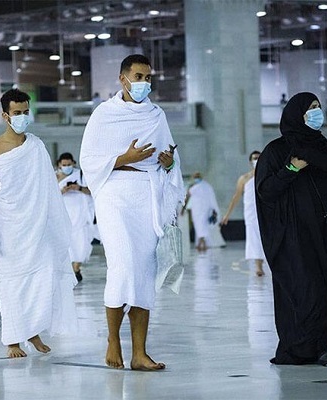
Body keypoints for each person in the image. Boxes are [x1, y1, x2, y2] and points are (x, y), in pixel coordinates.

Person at [80, 54, 184, 371]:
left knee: (143, 273)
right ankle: (113, 340)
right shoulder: (104, 114)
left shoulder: (156, 115)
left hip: (147, 194)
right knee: (123, 266)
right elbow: (89, 161)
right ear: (122, 78)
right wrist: (125, 158)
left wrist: (169, 163)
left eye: (148, 77)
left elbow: (171, 156)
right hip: (114, 193)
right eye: (138, 77)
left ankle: (139, 353)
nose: (144, 83)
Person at [255, 92, 327, 366]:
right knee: (304, 290)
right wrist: (291, 168)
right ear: (296, 113)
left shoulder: (324, 148)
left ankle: (322, 346)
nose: (317, 112)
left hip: (324, 232)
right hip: (292, 236)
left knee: (324, 291)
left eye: (318, 107)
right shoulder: (276, 151)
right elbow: (266, 191)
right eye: (311, 107)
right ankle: (297, 348)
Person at [0, 89, 78, 359]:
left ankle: (33, 331)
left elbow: (47, 188)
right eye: (17, 112)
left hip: (36, 223)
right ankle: (13, 339)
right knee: (11, 281)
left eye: (26, 112)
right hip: (6, 224)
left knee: (40, 277)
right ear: (5, 115)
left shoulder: (35, 146)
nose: (23, 117)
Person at [220, 151, 266, 277]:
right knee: (254, 237)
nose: (257, 160)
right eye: (254, 158)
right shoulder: (244, 179)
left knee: (265, 236)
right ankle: (258, 266)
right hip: (251, 212)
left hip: (265, 211)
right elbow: (236, 197)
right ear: (250, 161)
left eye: (259, 158)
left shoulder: (267, 175)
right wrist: (227, 215)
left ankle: (267, 262)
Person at [57, 152, 93, 282]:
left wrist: (78, 188)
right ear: (59, 165)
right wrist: (62, 191)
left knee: (81, 245)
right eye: (64, 165)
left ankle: (76, 268)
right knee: (67, 246)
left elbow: (92, 191)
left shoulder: (82, 175)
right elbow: (49, 197)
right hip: (64, 217)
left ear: (73, 163)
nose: (67, 167)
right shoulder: (54, 177)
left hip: (81, 216)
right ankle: (70, 271)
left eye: (69, 164)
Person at [181, 172, 220, 252]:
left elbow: (187, 198)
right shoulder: (202, 186)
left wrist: (183, 209)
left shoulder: (202, 187)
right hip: (198, 209)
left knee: (201, 225)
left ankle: (202, 243)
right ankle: (201, 242)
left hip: (203, 209)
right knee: (200, 225)